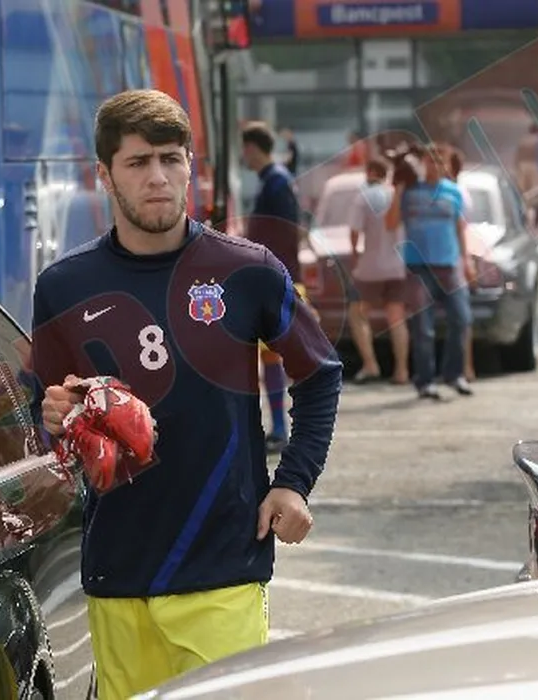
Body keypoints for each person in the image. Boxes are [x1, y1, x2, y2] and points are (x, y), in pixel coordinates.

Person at [31, 89, 343, 700]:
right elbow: (50, 417)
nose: (158, 177)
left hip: (223, 564)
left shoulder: (248, 270)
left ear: (190, 166)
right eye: (138, 162)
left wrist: (294, 481)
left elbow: (320, 372)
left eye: (171, 159)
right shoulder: (63, 286)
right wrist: (56, 417)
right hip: (118, 569)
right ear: (104, 175)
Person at [385, 142, 474, 400]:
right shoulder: (411, 191)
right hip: (418, 268)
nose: (435, 166)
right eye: (431, 161)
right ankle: (425, 380)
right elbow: (390, 223)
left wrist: (466, 260)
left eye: (440, 161)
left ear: (446, 165)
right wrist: (398, 189)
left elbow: (459, 228)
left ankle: (453, 374)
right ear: (424, 163)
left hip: (449, 265)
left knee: (461, 318)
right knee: (423, 327)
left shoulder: (453, 192)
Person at [240, 121, 304, 453]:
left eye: (244, 149)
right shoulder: (274, 180)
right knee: (270, 358)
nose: (243, 156)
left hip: (278, 280)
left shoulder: (276, 182)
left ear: (252, 148)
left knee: (276, 358)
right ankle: (278, 428)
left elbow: (284, 231)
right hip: (275, 277)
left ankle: (281, 429)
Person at [346, 157, 409, 385]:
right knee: (396, 318)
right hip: (396, 266)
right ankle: (401, 371)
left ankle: (371, 364)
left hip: (370, 268)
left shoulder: (363, 197)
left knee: (357, 314)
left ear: (371, 172)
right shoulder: (396, 195)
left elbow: (354, 231)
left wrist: (355, 255)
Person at [447, 149, 477, 383]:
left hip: (454, 261)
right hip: (437, 262)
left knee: (461, 317)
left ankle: (465, 367)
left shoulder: (458, 194)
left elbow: (463, 231)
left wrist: (466, 261)